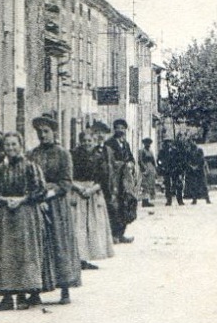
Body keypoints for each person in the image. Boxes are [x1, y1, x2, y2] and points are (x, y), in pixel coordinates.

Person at [0, 130, 51, 311]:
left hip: (25, 215)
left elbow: (41, 190)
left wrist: (23, 199)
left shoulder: (30, 167)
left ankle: (24, 294)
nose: (10, 148)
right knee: (4, 254)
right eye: (7, 145)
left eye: (14, 145)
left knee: (24, 253)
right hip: (3, 216)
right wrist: (3, 200)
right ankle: (6, 296)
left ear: (20, 146)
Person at [28, 115, 81, 303]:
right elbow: (29, 179)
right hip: (38, 205)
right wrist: (37, 194)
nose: (43, 136)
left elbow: (66, 182)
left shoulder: (63, 154)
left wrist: (50, 192)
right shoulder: (32, 155)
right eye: (39, 132)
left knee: (60, 244)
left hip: (57, 206)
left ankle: (65, 289)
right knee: (39, 245)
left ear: (54, 132)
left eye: (46, 132)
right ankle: (36, 291)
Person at [70, 128, 115, 267]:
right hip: (77, 192)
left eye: (90, 141)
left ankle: (89, 256)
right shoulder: (73, 155)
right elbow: (67, 176)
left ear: (94, 142)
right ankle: (78, 258)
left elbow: (103, 178)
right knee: (78, 226)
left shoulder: (99, 157)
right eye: (84, 141)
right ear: (80, 142)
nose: (87, 143)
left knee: (93, 226)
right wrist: (78, 188)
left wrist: (92, 189)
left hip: (93, 193)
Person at [105, 119, 139, 242]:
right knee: (114, 206)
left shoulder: (126, 144)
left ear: (125, 130)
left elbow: (130, 157)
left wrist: (131, 163)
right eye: (118, 128)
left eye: (122, 128)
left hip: (125, 180)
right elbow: (109, 162)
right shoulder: (109, 144)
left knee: (126, 204)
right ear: (114, 129)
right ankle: (114, 234)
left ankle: (121, 233)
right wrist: (122, 165)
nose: (120, 130)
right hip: (114, 179)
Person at [183, 137, 211, 205]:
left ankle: (207, 199)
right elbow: (187, 160)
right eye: (190, 142)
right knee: (193, 185)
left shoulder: (199, 150)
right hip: (192, 171)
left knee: (203, 185)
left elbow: (202, 159)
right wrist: (191, 166)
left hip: (200, 170)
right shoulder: (188, 151)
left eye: (193, 141)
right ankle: (194, 199)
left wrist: (197, 166)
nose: (192, 143)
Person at [138, 137, 159, 207]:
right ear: (144, 144)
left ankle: (147, 200)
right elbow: (140, 161)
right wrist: (144, 168)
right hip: (145, 168)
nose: (148, 145)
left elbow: (153, 161)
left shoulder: (151, 151)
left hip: (151, 169)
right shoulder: (141, 151)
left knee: (150, 185)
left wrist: (155, 169)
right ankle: (144, 201)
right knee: (145, 185)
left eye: (149, 144)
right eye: (146, 143)